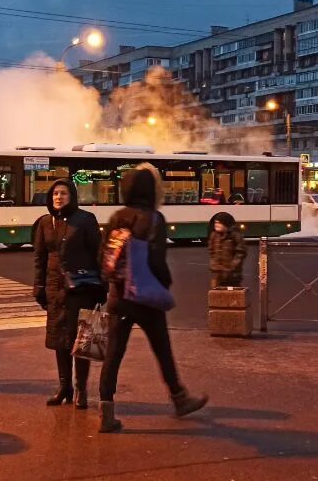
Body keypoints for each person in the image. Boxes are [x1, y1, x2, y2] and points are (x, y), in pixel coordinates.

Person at [98, 164, 207, 433]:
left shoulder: (116, 217)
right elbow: (156, 261)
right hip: (144, 297)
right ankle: (179, 398)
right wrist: (164, 285)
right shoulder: (154, 219)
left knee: (113, 354)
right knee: (162, 350)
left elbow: (104, 254)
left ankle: (106, 411)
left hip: (118, 296)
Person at [32, 179, 104, 409]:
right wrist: (39, 287)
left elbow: (98, 254)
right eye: (54, 194)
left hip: (81, 288)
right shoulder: (44, 222)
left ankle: (81, 388)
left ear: (72, 195)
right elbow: (39, 259)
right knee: (59, 339)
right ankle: (64, 386)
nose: (58, 197)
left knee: (80, 340)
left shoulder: (85, 220)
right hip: (55, 289)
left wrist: (101, 287)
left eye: (63, 193)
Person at [206, 212, 246, 289]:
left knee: (233, 295)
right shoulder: (214, 236)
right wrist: (214, 265)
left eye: (219, 223)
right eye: (215, 222)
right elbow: (211, 251)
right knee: (216, 296)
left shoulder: (235, 236)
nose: (216, 224)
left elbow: (241, 252)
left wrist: (232, 266)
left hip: (232, 275)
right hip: (217, 274)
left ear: (226, 224)